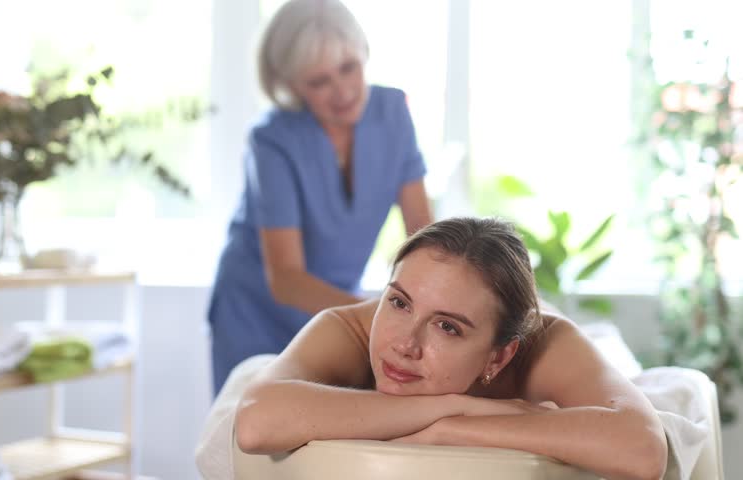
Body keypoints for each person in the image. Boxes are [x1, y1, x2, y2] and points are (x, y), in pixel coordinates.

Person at [233, 217, 668, 480]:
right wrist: (465, 407)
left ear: (499, 357)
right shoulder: (349, 327)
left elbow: (643, 451)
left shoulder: (547, 344)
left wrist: (452, 429)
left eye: (447, 327)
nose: (404, 344)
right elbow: (254, 425)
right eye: (399, 302)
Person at [208, 0, 432, 393]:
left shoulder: (392, 112)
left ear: (363, 53)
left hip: (340, 307)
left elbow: (425, 236)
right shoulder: (272, 139)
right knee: (253, 431)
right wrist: (381, 314)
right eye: (318, 81)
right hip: (254, 311)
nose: (342, 91)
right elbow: (287, 280)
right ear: (291, 84)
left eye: (348, 68)